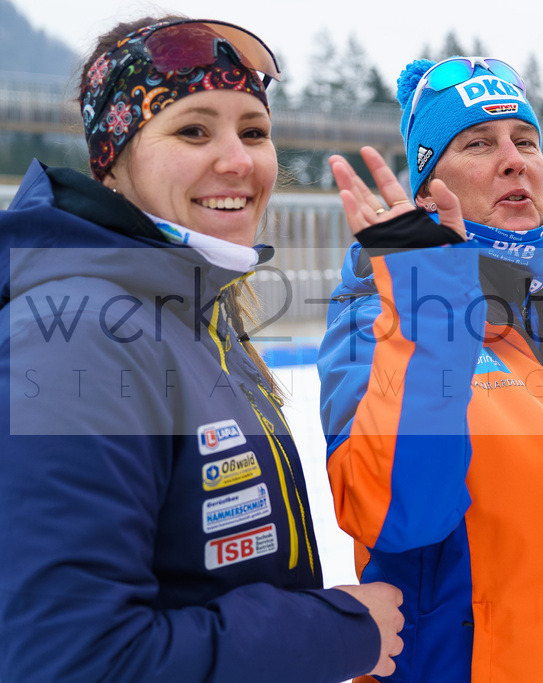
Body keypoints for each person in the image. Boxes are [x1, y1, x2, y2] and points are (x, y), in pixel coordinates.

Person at [0, 17, 404, 682]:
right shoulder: (72, 334)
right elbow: (72, 661)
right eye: (193, 129)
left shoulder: (197, 318)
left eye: (254, 130)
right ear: (115, 156)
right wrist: (332, 633)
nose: (239, 160)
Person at [317, 56, 543, 682]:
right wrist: (427, 312)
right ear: (424, 191)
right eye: (477, 144)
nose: (513, 158)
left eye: (525, 140)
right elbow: (393, 513)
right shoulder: (377, 316)